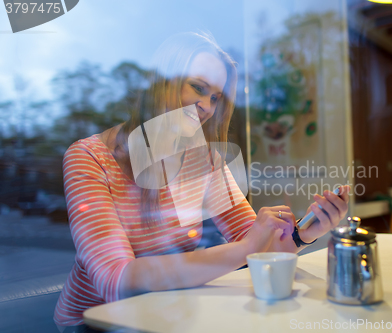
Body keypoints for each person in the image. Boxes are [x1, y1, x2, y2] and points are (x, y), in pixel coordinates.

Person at [54, 32, 349, 332]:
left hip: (168, 312)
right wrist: (247, 246)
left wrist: (305, 232)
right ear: (162, 83)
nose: (207, 106)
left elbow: (255, 247)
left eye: (215, 98)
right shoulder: (88, 157)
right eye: (198, 87)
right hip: (96, 323)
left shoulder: (202, 160)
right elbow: (117, 282)